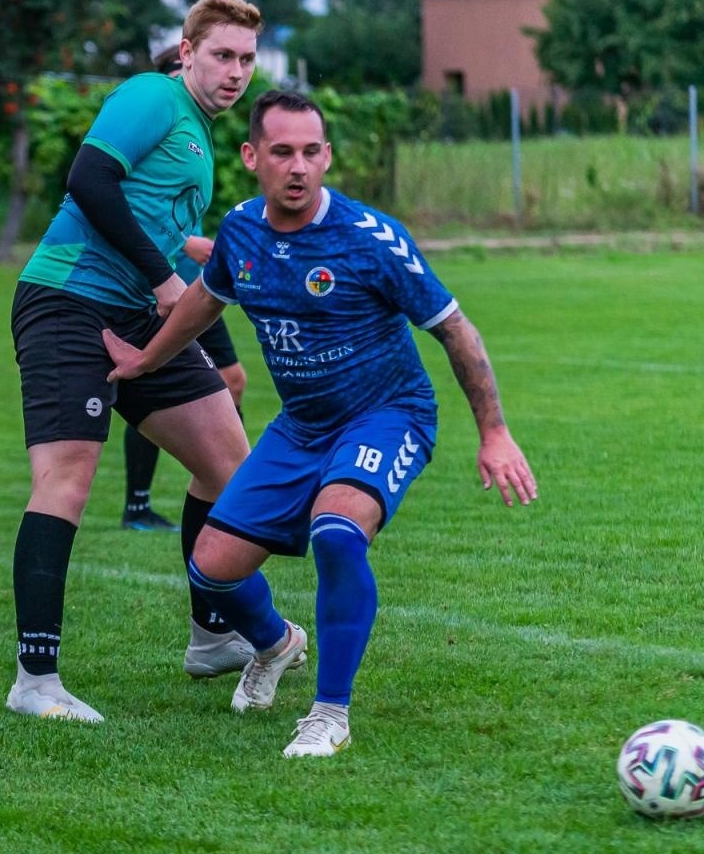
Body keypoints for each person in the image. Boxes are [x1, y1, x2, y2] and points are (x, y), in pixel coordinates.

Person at [105, 90, 538, 756]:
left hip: (387, 414)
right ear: (253, 157)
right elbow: (204, 301)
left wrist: (495, 432)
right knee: (211, 570)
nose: (298, 166)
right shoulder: (243, 231)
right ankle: (277, 644)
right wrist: (148, 357)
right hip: (302, 424)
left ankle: (329, 714)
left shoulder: (370, 240)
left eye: (311, 151)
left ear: (328, 156)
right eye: (282, 152)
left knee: (336, 533)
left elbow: (455, 328)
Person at [7, 0, 280, 724]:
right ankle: (35, 680)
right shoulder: (154, 95)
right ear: (186, 51)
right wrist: (167, 280)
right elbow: (89, 180)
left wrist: (211, 259)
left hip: (137, 314)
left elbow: (157, 224)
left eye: (247, 60)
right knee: (67, 479)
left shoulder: (199, 134)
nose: (235, 72)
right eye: (222, 55)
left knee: (229, 467)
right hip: (68, 301)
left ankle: (211, 638)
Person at [121, 44, 248, 533]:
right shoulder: (150, 122)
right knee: (151, 392)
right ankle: (138, 503)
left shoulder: (198, 133)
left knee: (233, 379)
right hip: (157, 289)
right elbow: (128, 205)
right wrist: (192, 241)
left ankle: (229, 482)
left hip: (196, 290)